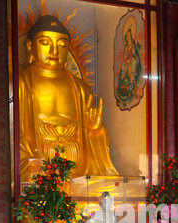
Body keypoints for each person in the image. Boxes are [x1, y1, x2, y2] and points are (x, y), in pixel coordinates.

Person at [19, 15, 118, 183]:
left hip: (79, 167)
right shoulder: (20, 83)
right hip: (38, 165)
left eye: (62, 44)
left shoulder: (80, 88)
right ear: (30, 46)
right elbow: (12, 135)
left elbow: (94, 138)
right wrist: (34, 165)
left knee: (105, 186)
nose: (54, 51)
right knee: (36, 180)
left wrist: (94, 132)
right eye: (45, 43)